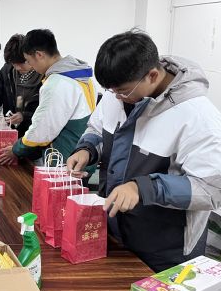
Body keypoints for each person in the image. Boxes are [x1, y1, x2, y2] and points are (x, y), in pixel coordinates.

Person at [67, 30, 221, 272]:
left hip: (164, 247)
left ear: (152, 75)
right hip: (116, 230)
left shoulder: (197, 116)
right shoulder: (119, 93)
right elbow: (96, 128)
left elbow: (210, 189)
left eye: (123, 91)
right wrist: (87, 150)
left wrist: (143, 188)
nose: (117, 97)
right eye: (112, 91)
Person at [0, 29, 96, 165]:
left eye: (29, 61)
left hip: (65, 160)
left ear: (39, 55)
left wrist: (16, 150)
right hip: (83, 154)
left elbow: (42, 130)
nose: (31, 66)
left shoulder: (57, 83)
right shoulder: (82, 76)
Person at [0, 34, 43, 138]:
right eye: (14, 63)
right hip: (10, 131)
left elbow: (47, 110)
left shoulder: (44, 74)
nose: (17, 67)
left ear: (30, 57)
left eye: (21, 63)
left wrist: (24, 116)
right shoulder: (8, 70)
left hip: (35, 134)